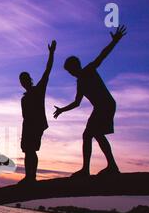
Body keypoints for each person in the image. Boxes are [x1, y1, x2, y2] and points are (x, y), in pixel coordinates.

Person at [54, 26, 127, 177]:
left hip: (106, 105)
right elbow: (76, 103)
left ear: (75, 67)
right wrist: (62, 110)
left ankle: (90, 169)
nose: (71, 73)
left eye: (70, 70)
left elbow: (102, 56)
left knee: (89, 134)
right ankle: (108, 166)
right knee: (95, 134)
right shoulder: (80, 82)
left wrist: (114, 41)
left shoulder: (88, 70)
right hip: (101, 107)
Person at [19, 40, 57, 184]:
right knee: (27, 151)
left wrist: (51, 53)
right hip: (27, 126)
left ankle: (32, 176)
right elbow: (24, 116)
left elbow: (47, 71)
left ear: (29, 79)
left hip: (36, 125)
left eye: (25, 79)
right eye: (21, 80)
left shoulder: (38, 90)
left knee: (31, 150)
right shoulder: (24, 98)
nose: (23, 82)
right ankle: (28, 176)